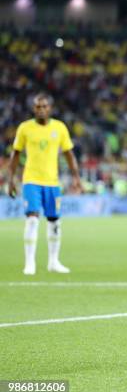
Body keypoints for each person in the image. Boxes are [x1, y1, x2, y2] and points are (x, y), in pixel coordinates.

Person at [7, 93, 83, 275]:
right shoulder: (25, 128)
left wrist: (76, 178)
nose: (41, 110)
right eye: (37, 107)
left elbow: (69, 154)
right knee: (32, 219)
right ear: (34, 109)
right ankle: (30, 263)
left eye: (44, 106)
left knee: (54, 221)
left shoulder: (60, 128)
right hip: (31, 180)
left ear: (50, 108)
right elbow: (16, 154)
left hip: (52, 182)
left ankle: (53, 262)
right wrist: (11, 180)